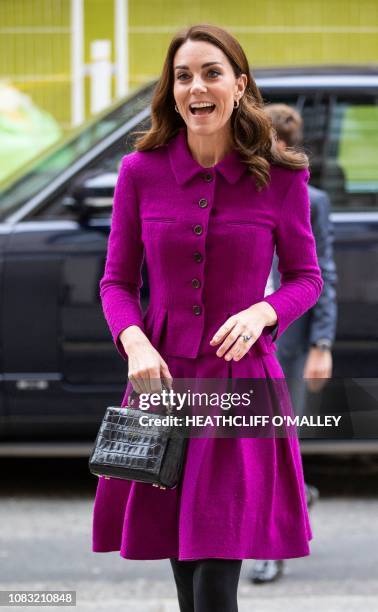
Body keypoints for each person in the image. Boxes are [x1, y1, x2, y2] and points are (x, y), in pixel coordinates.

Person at [91, 24, 323, 612]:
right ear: (172, 91)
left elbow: (306, 278)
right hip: (163, 385)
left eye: (212, 73)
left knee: (216, 580)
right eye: (183, 75)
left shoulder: (282, 176)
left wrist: (265, 311)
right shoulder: (139, 173)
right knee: (185, 576)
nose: (197, 86)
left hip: (240, 389)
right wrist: (135, 339)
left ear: (239, 85)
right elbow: (116, 282)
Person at [250, 103, 338, 584]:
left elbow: (320, 272)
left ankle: (270, 549)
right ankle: (295, 496)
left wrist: (322, 342)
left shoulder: (310, 197)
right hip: (243, 342)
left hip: (289, 339)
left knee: (274, 442)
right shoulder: (236, 190)